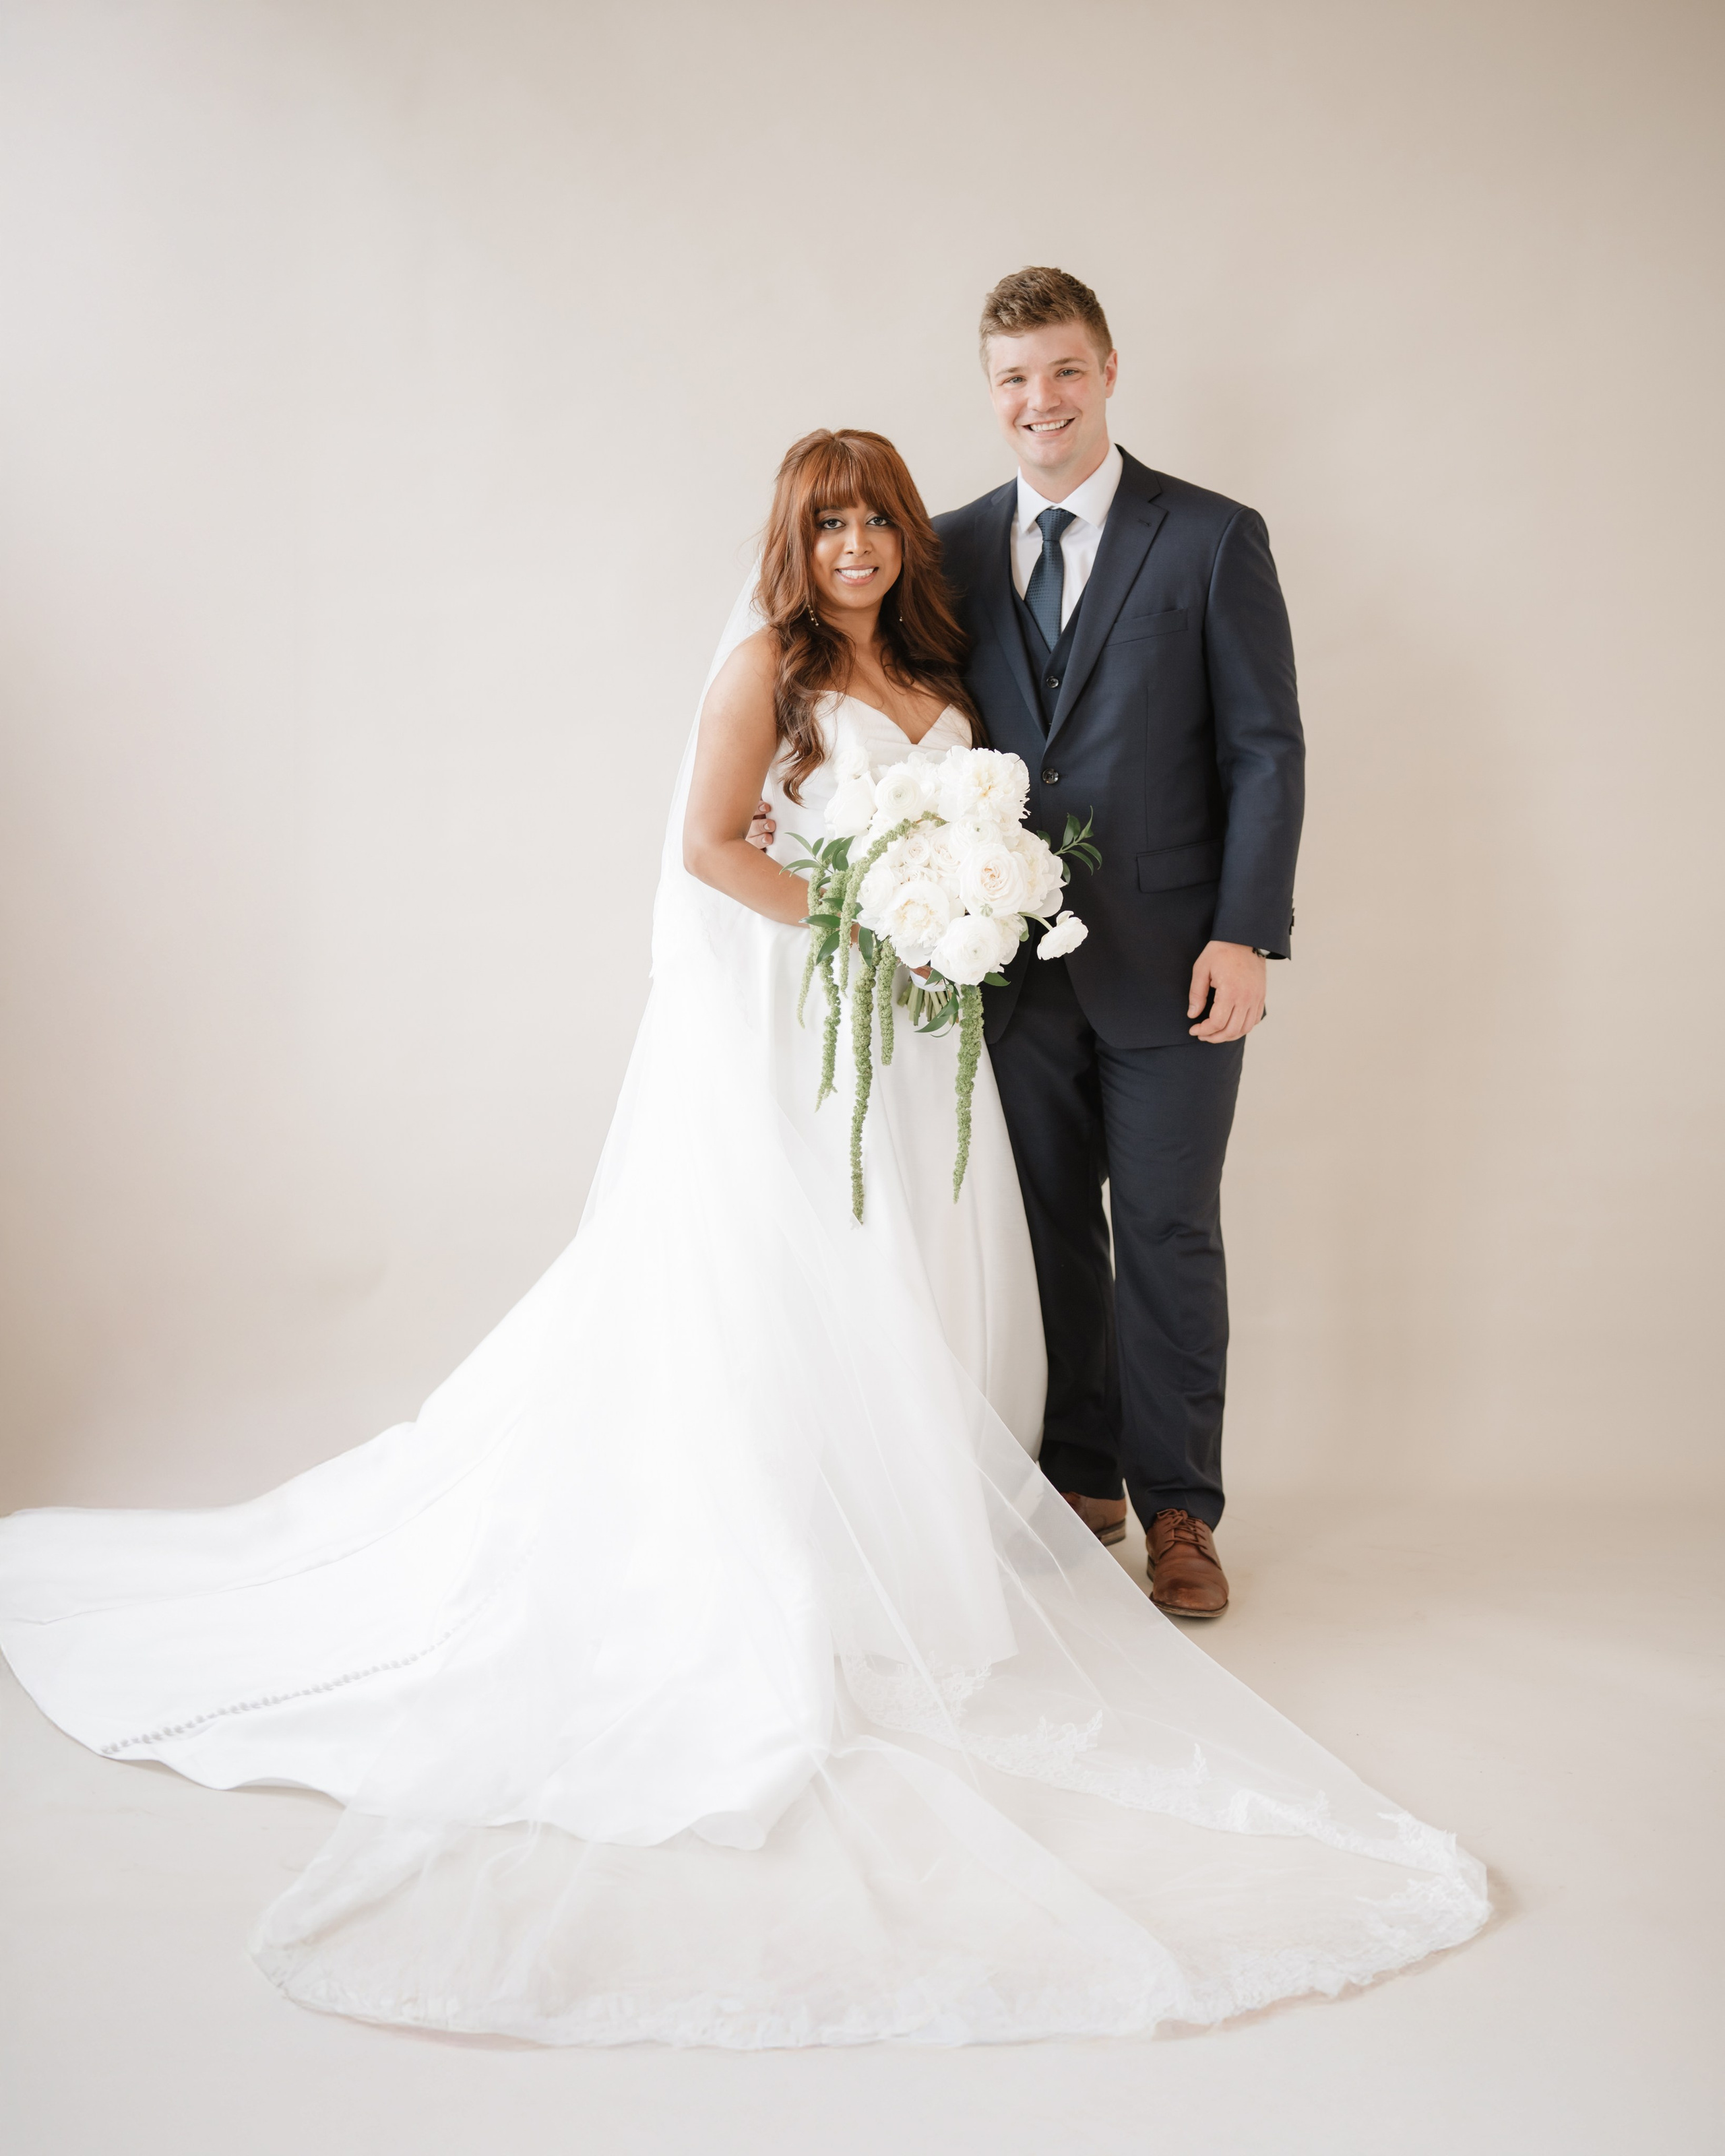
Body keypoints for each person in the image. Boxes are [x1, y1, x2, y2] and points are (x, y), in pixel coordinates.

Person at [0, 431, 1482, 2047]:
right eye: (825, 523)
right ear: (792, 539)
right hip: (805, 1025)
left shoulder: (934, 652)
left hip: (918, 1042)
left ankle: (931, 1523)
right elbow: (714, 850)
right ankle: (781, 1560)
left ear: (907, 537)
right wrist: (875, 920)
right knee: (789, 1282)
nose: (851, 545)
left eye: (872, 521)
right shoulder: (764, 669)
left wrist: (959, 913)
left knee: (906, 1278)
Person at [935, 267, 1305, 1616]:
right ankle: (1078, 1476)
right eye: (1013, 378)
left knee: (1162, 1226)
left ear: (1106, 372)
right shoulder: (947, 546)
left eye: (1064, 370)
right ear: (991, 394)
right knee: (1038, 1233)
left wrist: (1244, 936)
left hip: (1172, 965)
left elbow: (1264, 748)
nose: (1040, 400)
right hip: (1006, 967)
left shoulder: (1207, 538)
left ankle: (1180, 1511)